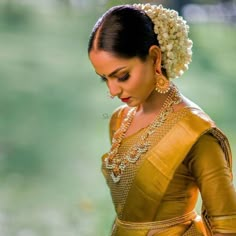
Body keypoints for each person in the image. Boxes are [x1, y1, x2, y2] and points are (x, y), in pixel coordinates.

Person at [87, 3, 236, 236]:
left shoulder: (196, 132)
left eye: (122, 76)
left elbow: (228, 226)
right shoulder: (119, 120)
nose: (113, 90)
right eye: (104, 79)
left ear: (155, 58)